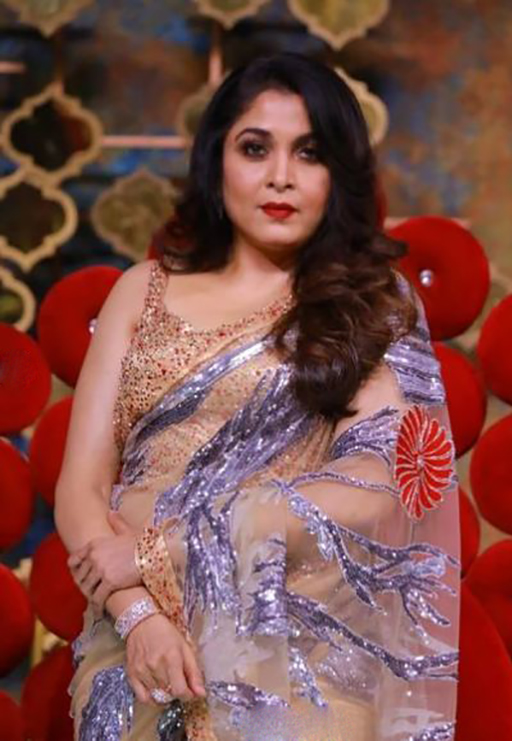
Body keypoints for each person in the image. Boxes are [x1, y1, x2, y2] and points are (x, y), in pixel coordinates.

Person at [55, 51, 461, 741]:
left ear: (338, 175)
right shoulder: (140, 292)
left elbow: (376, 487)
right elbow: (82, 489)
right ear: (216, 160)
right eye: (254, 148)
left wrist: (166, 547)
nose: (280, 176)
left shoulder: (366, 307)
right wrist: (137, 613)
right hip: (136, 640)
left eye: (309, 153)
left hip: (301, 648)